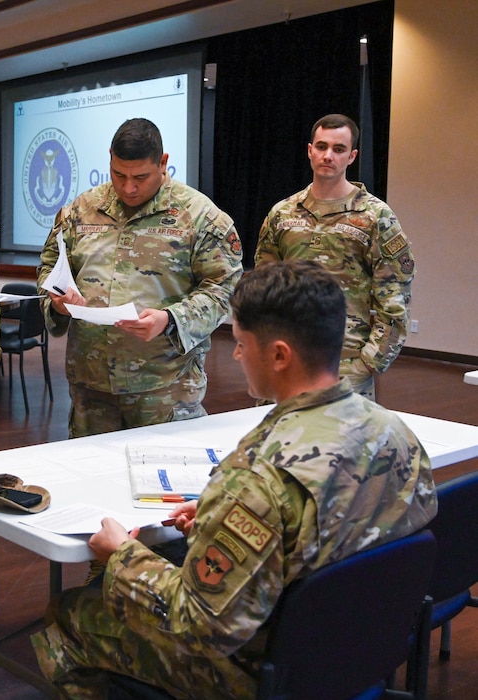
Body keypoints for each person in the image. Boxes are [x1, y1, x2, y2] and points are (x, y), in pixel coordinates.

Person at [32, 259, 437, 700]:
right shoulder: (396, 432)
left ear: (279, 354)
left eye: (241, 343)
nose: (238, 354)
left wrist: (123, 554)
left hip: (266, 672)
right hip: (360, 649)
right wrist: (217, 516)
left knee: (72, 614)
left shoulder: (257, 475)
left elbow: (200, 624)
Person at [38, 117, 242, 438]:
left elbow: (223, 288)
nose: (128, 187)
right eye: (119, 174)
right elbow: (51, 264)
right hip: (92, 385)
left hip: (165, 385)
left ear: (163, 163)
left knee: (163, 482)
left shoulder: (199, 216)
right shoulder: (82, 210)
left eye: (140, 177)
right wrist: (58, 301)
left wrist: (171, 318)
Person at [255, 114, 414, 401]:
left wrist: (368, 363)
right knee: (279, 443)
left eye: (338, 149)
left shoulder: (375, 216)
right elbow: (264, 291)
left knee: (342, 445)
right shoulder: (282, 214)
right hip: (285, 360)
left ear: (352, 156)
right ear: (309, 150)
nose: (328, 155)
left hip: (346, 365)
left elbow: (394, 302)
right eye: (321, 146)